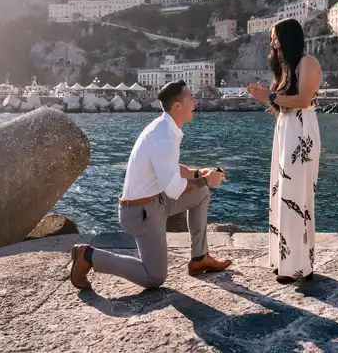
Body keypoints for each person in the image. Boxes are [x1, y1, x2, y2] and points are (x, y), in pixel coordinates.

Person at [69, 80, 232, 291]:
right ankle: (89, 255)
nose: (195, 101)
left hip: (156, 200)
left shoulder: (165, 127)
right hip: (140, 212)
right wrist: (206, 180)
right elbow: (174, 188)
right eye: (191, 97)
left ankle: (199, 257)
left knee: (201, 193)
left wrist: (199, 174)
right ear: (177, 106)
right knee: (155, 277)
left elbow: (171, 168)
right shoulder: (164, 136)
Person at [246, 18, 322, 284]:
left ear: (288, 37)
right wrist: (266, 94)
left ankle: (303, 266)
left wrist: (268, 96)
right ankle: (286, 261)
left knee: (297, 196)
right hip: (286, 128)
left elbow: (303, 100)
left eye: (275, 38)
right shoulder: (287, 69)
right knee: (282, 193)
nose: (273, 43)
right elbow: (283, 104)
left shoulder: (307, 63)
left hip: (301, 131)